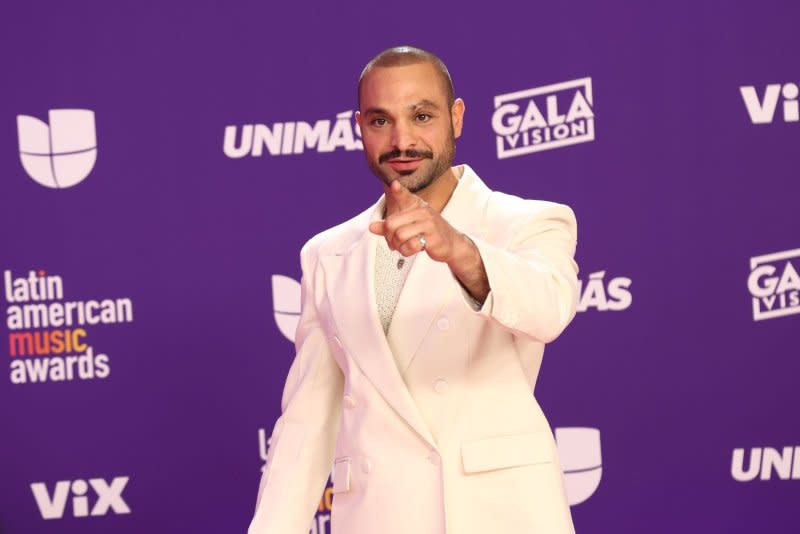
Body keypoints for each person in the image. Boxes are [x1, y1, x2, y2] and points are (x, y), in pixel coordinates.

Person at [248, 46, 579, 534]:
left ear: (456, 118)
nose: (402, 140)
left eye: (421, 116)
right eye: (381, 121)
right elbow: (307, 422)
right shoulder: (327, 253)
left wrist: (458, 248)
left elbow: (548, 310)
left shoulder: (527, 221)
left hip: (499, 514)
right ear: (359, 126)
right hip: (379, 516)